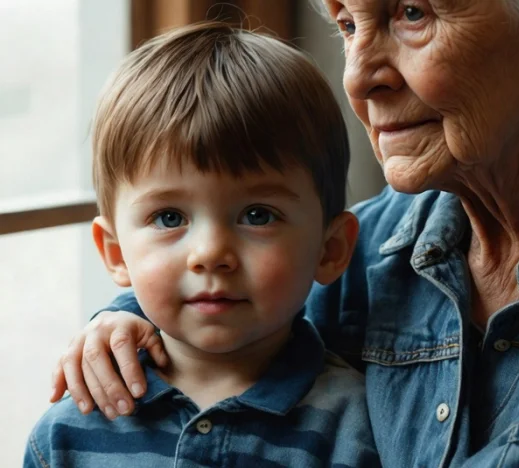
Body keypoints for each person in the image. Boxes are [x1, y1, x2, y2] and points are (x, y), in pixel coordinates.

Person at [50, 0, 519, 466]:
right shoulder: (361, 248)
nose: (359, 77)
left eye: (410, 13)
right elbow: (226, 319)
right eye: (347, 23)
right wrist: (124, 322)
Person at [27, 22, 381, 468]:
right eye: (169, 218)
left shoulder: (357, 432)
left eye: (258, 215)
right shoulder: (66, 433)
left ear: (330, 249)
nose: (211, 253)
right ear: (116, 254)